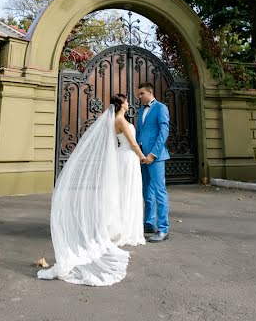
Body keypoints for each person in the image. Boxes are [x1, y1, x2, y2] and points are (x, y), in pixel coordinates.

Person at [37, 94, 145, 286]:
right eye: (127, 101)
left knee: (123, 194)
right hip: (128, 158)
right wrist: (143, 157)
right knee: (127, 194)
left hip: (124, 157)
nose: (129, 103)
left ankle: (123, 226)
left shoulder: (115, 120)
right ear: (121, 104)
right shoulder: (119, 120)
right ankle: (126, 229)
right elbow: (133, 143)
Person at [136, 82, 170, 242]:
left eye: (142, 93)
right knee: (146, 192)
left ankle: (163, 229)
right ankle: (149, 223)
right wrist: (138, 154)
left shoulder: (161, 108)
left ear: (150, 92)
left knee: (159, 191)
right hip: (142, 157)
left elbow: (164, 132)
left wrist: (153, 154)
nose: (139, 96)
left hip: (155, 158)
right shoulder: (141, 110)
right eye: (139, 94)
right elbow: (138, 133)